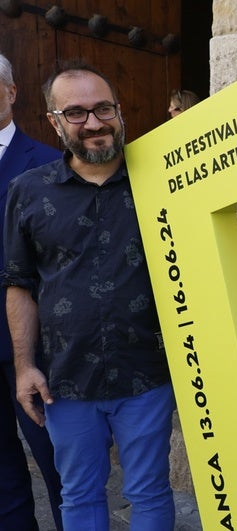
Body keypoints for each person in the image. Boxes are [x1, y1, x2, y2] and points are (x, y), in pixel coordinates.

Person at [4, 60, 175, 530]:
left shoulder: (161, 181)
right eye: (76, 113)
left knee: (150, 490)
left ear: (119, 111)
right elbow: (19, 284)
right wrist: (24, 367)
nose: (94, 123)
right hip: (66, 378)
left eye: (103, 109)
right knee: (78, 494)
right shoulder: (28, 190)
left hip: (147, 372)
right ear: (55, 122)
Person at [0, 52, 63, 531]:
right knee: (3, 483)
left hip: (32, 351)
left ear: (12, 92)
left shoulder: (48, 163)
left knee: (62, 472)